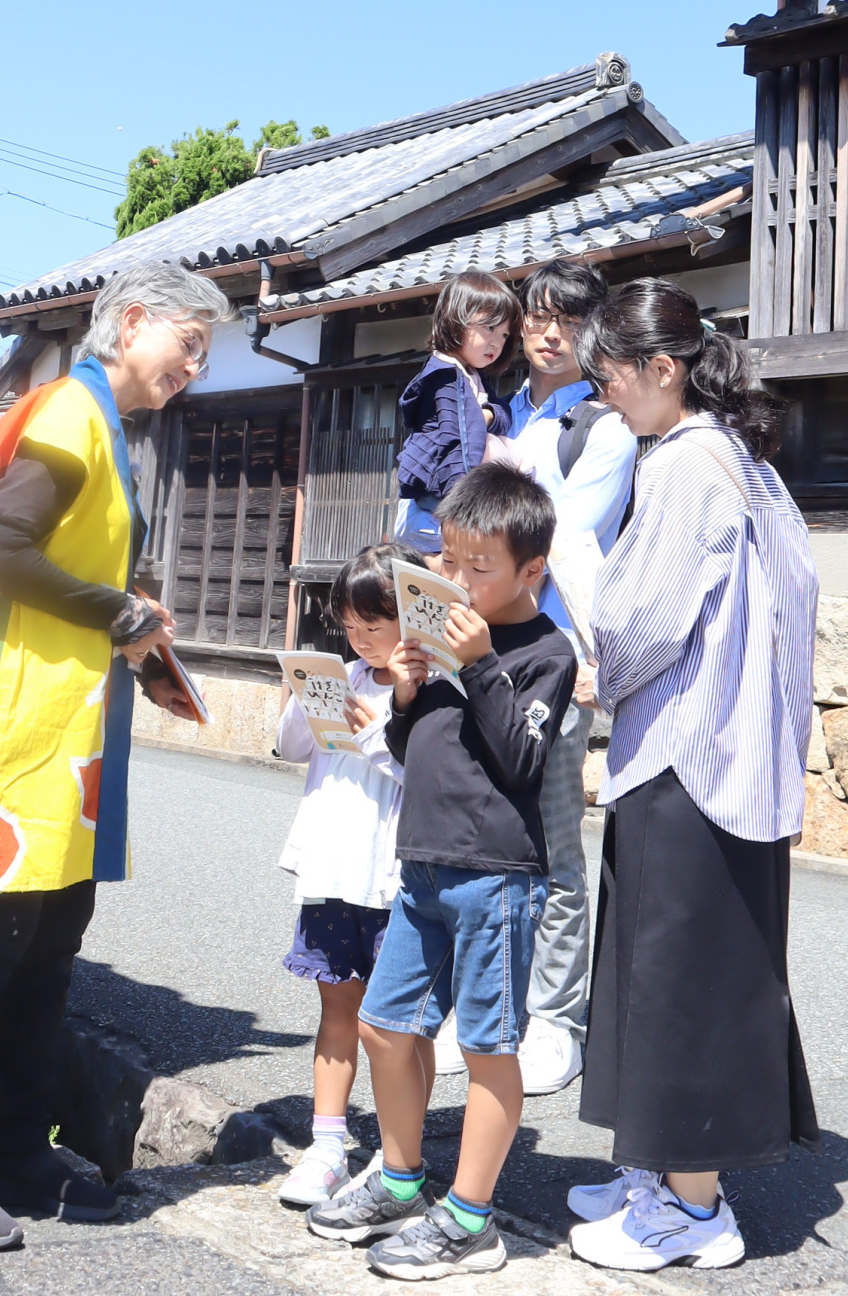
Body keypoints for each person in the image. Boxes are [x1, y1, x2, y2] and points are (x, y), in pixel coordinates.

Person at [0, 261, 228, 1252]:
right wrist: (120, 609)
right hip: (24, 718)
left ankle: (17, 1148)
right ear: (134, 320)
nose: (192, 365)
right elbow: (0, 550)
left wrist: (131, 629)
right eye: (187, 341)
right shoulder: (73, 416)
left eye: (203, 350)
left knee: (54, 929)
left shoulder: (101, 425)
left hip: (64, 720)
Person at [564, 278, 821, 1273]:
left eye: (607, 377)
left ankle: (692, 1207)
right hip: (731, 744)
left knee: (682, 977)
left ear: (658, 370)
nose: (603, 399)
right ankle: (657, 1173)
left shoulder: (682, 463)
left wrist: (598, 661)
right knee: (672, 967)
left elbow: (637, 617)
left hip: (686, 749)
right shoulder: (741, 460)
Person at [307, 464, 578, 1280]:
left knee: (493, 1048)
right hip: (421, 866)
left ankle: (469, 1219)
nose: (456, 582)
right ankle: (399, 1180)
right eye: (448, 563)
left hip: (497, 875)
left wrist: (481, 663)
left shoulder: (543, 653)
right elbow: (410, 756)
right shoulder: (437, 644)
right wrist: (402, 695)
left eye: (478, 568)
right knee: (385, 1027)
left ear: (533, 571)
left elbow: (524, 758)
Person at [451, 257, 636, 1098]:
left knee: (553, 844)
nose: (547, 330)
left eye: (566, 319)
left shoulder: (602, 430)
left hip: (551, 664)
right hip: (470, 650)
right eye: (536, 315)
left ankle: (558, 1016)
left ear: (592, 332)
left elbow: (552, 538)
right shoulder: (492, 408)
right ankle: (484, 1006)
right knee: (476, 840)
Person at [272, 543, 430, 1210]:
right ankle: (329, 1142)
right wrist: (310, 694)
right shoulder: (344, 673)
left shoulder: (427, 688)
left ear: (410, 619)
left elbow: (423, 774)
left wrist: (382, 720)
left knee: (400, 1027)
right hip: (332, 870)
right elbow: (289, 746)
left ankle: (403, 1157)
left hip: (391, 876)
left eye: (376, 622)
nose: (361, 637)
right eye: (351, 623)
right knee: (337, 1009)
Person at [392, 270, 523, 561]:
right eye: (488, 328)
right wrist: (462, 511)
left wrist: (486, 416)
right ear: (456, 320)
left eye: (504, 335)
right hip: (441, 503)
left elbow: (502, 414)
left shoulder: (471, 373)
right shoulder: (446, 377)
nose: (496, 343)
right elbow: (458, 446)